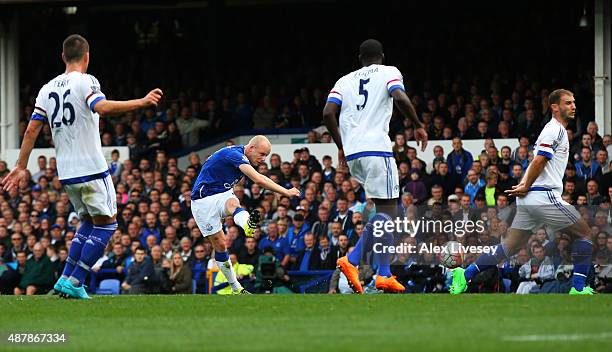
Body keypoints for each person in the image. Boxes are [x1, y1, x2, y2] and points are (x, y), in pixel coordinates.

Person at [1, 34, 162, 299]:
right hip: (92, 167)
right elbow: (102, 107)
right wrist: (141, 102)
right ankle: (77, 280)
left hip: (66, 173)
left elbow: (31, 129)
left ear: (63, 57)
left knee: (87, 221)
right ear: (87, 57)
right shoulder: (86, 81)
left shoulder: (46, 89)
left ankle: (65, 277)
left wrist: (20, 166)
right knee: (108, 224)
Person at [450, 89, 596, 295]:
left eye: (573, 102)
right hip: (543, 195)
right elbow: (539, 160)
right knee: (585, 234)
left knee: (509, 246)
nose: (573, 106)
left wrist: (525, 184)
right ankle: (579, 288)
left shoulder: (554, 130)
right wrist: (526, 185)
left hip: (531, 197)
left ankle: (464, 275)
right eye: (567, 103)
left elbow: (537, 162)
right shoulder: (555, 130)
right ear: (554, 107)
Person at [323, 39, 428, 293]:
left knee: (385, 213)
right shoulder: (389, 72)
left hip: (354, 154)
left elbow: (327, 113)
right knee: (389, 214)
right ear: (381, 55)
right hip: (376, 149)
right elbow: (400, 97)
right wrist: (417, 124)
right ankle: (362, 264)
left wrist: (341, 145)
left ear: (360, 58)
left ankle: (372, 269)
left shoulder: (344, 80)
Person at [190, 135, 300, 294]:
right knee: (220, 245)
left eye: (266, 156)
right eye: (262, 154)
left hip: (222, 193)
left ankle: (247, 225)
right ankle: (235, 287)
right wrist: (286, 191)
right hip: (202, 202)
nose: (263, 159)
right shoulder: (235, 155)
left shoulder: (242, 157)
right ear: (251, 148)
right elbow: (259, 180)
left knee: (233, 204)